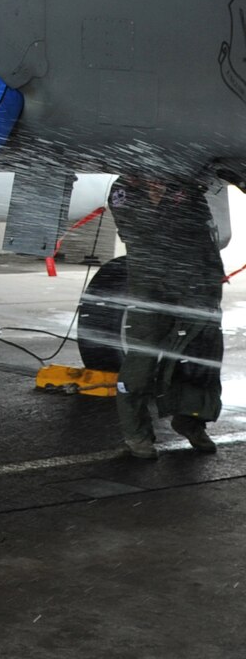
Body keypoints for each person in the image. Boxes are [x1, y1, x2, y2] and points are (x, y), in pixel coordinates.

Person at [109, 173, 224, 459]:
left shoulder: (186, 188)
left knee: (198, 357)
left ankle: (191, 421)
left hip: (193, 283)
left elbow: (204, 236)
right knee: (141, 360)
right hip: (150, 286)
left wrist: (211, 282)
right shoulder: (123, 191)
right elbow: (135, 233)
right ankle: (137, 436)